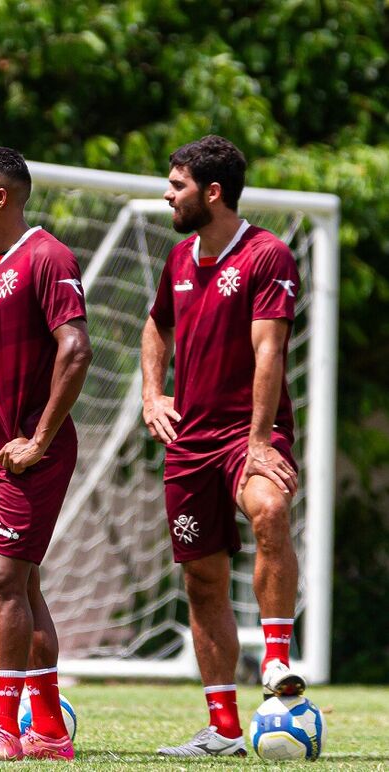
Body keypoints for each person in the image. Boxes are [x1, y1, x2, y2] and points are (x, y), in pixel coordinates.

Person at [143, 135, 304, 758]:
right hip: (190, 442)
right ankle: (224, 730)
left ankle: (278, 664)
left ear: (212, 192)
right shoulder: (179, 258)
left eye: (176, 184)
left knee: (270, 509)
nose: (167, 194)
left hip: (247, 436)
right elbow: (157, 323)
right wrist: (153, 397)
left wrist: (262, 441)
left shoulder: (268, 255)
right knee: (202, 581)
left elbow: (271, 350)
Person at [0, 147, 91, 761]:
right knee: (21, 587)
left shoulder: (47, 257)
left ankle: (4, 727)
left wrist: (40, 440)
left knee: (5, 580)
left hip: (30, 455)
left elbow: (76, 350)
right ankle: (51, 731)